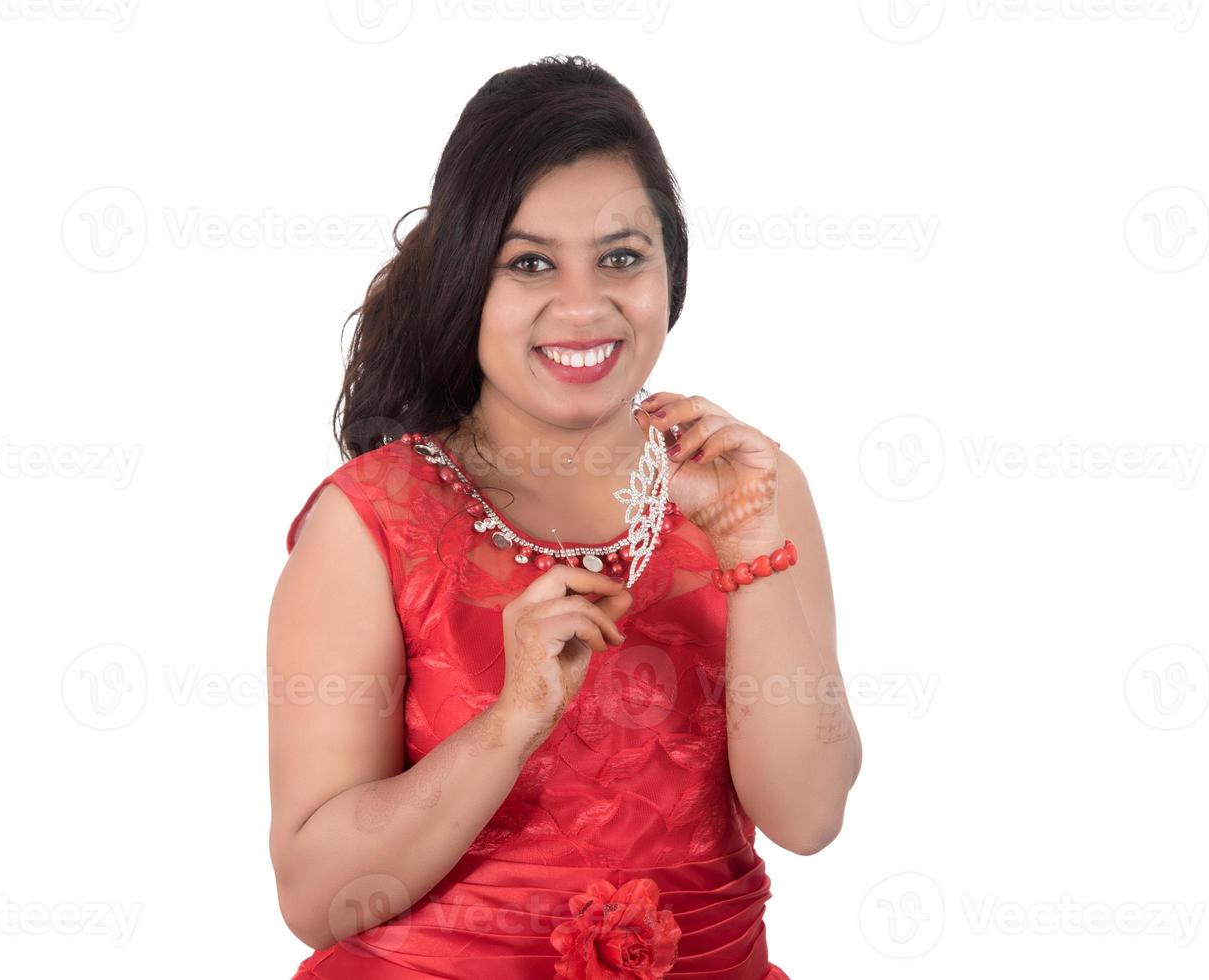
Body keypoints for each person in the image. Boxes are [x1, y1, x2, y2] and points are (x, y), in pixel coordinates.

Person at [267, 55, 861, 979]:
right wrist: (511, 721)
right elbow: (316, 898)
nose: (583, 307)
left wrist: (750, 548)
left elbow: (810, 817)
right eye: (530, 262)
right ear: (470, 276)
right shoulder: (370, 523)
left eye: (622, 257)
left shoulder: (752, 487)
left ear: (673, 270)